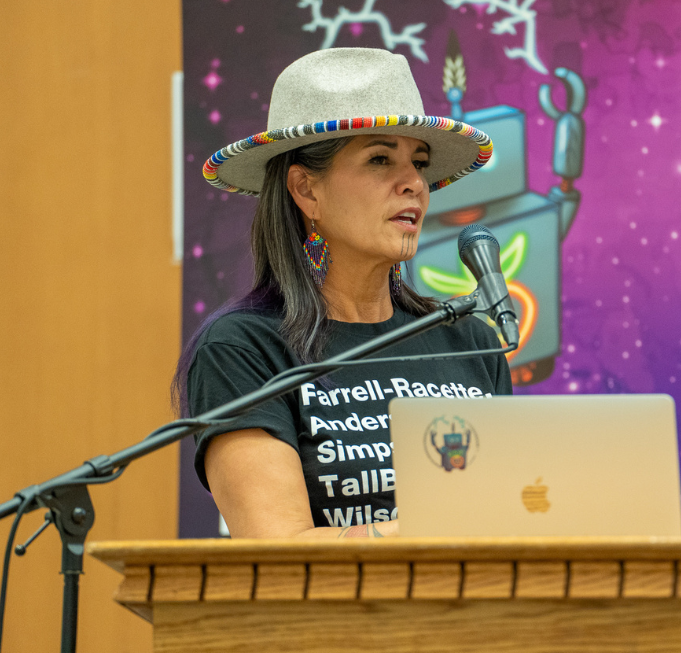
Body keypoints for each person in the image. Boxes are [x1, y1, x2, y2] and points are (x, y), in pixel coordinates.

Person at [173, 48, 512, 539]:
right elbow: (279, 550)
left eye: (419, 162)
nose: (414, 183)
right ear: (306, 190)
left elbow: (510, 520)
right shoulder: (243, 350)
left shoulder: (472, 343)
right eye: (380, 159)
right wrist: (431, 530)